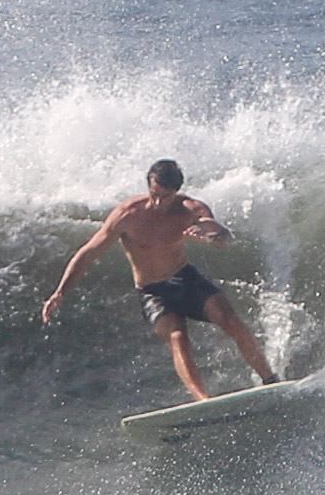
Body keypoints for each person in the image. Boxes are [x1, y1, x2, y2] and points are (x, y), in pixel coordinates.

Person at [42, 159, 278, 401]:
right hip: (152, 291)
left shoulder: (190, 209)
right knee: (178, 337)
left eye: (164, 197)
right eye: (153, 194)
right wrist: (60, 291)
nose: (157, 202)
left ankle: (270, 380)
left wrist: (212, 237)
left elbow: (224, 236)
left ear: (175, 192)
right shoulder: (127, 215)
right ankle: (203, 402)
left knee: (229, 319)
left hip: (185, 279)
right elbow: (87, 253)